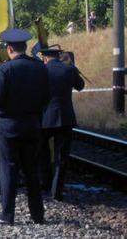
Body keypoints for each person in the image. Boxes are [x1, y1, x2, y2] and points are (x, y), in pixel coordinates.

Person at [0, 28, 48, 225]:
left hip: (9, 126)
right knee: (32, 170)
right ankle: (37, 215)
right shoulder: (40, 67)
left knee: (8, 169)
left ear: (9, 48)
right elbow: (47, 96)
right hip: (32, 124)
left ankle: (7, 216)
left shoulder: (4, 69)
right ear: (25, 47)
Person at [39, 46, 85, 201]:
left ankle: (45, 183)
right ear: (58, 57)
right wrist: (73, 66)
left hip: (44, 118)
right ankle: (56, 192)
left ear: (44, 58)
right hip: (64, 118)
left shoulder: (41, 70)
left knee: (42, 152)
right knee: (62, 156)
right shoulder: (69, 69)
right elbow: (80, 86)